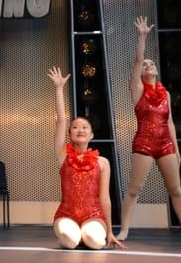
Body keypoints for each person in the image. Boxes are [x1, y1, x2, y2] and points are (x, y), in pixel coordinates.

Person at [116, 16, 181, 243]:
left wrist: (176, 148)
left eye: (151, 63)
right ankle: (124, 229)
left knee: (175, 189)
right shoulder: (137, 89)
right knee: (134, 189)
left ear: (156, 70)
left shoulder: (166, 94)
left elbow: (170, 122)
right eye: (145, 64)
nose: (148, 65)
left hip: (165, 143)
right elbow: (137, 60)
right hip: (143, 142)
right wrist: (142, 37)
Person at [48, 66, 125, 250]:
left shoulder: (103, 162)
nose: (80, 130)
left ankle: (86, 234)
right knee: (70, 241)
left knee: (96, 242)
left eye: (85, 127)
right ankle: (71, 236)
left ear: (91, 135)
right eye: (75, 127)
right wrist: (59, 88)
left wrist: (110, 232)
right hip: (67, 214)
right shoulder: (63, 155)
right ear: (70, 134)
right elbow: (60, 120)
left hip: (94, 215)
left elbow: (105, 198)